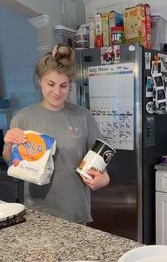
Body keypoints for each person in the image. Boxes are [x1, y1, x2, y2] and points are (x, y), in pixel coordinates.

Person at [3, 43, 110, 223]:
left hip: (75, 210)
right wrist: (10, 145)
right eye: (50, 84)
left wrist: (103, 180)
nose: (57, 92)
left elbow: (99, 164)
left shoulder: (83, 117)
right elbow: (10, 161)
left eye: (63, 85)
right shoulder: (22, 118)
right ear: (40, 80)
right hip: (36, 211)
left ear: (70, 84)